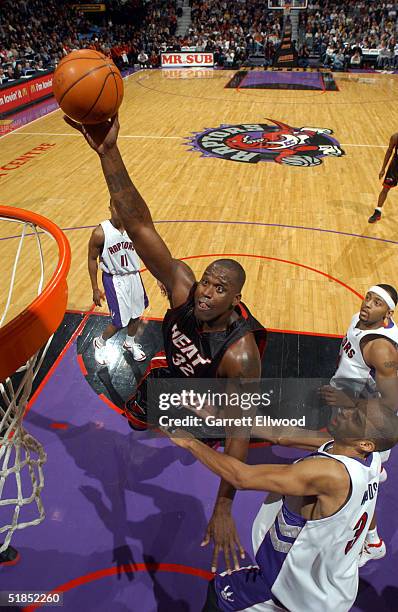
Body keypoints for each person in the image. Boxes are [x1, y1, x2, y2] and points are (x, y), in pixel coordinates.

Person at [67, 114, 267, 574]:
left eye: (219, 290)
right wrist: (108, 153)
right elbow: (138, 224)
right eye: (207, 283)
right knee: (142, 417)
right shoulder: (181, 288)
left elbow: (238, 435)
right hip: (173, 379)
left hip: (214, 402)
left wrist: (223, 507)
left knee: (246, 428)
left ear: (236, 300)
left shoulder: (240, 354)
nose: (206, 292)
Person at [166, 401, 398, 612]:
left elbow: (241, 477)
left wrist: (190, 442)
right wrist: (223, 417)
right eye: (354, 407)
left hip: (292, 591)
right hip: (336, 591)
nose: (345, 411)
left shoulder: (330, 474)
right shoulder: (371, 458)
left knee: (219, 595)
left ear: (366, 443)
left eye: (355, 417)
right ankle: (374, 543)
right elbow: (283, 434)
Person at [88, 199, 148, 364]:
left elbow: (147, 253)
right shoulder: (100, 233)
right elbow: (92, 259)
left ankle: (129, 343)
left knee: (136, 314)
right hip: (114, 279)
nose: (120, 211)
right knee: (119, 321)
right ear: (110, 208)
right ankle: (99, 343)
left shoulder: (134, 229)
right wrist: (95, 288)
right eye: (117, 207)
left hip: (134, 276)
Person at [368, 132, 398, 223]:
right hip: (395, 167)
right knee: (385, 188)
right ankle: (377, 212)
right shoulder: (395, 137)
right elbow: (389, 151)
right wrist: (383, 169)